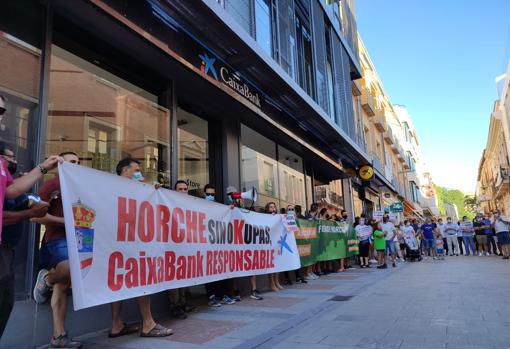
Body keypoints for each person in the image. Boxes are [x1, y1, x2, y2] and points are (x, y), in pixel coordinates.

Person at [108, 158, 173, 337]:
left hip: (122, 240)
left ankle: (116, 325)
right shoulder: (112, 186)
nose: (139, 173)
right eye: (136, 169)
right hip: (125, 240)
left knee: (118, 281)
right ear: (125, 170)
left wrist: (150, 190)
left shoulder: (134, 188)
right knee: (140, 277)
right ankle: (148, 323)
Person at [31, 152, 84, 348]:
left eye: (78, 162)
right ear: (60, 165)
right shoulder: (52, 185)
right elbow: (35, 216)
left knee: (64, 283)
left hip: (78, 241)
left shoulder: (82, 187)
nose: (76, 164)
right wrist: (67, 222)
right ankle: (46, 279)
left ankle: (58, 336)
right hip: (56, 239)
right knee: (68, 270)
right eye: (72, 162)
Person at [0, 142, 50, 338]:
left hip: (8, 250)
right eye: (9, 158)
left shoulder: (9, 181)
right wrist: (30, 212)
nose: (14, 162)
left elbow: (15, 193)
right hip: (2, 249)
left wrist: (32, 203)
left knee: (5, 303)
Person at [202, 184, 236, 307]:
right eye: (208, 194)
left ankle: (223, 295)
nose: (210, 196)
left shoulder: (218, 206)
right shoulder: (199, 204)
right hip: (205, 244)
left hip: (218, 244)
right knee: (209, 272)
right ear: (204, 193)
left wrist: (229, 209)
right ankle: (212, 296)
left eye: (212, 194)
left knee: (220, 269)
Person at [168, 180, 196, 317]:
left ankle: (183, 303)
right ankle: (175, 306)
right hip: (172, 246)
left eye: (185, 189)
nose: (183, 191)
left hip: (185, 245)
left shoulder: (190, 204)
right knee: (174, 276)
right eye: (180, 189)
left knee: (183, 275)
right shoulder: (168, 201)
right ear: (174, 190)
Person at [265, 202, 283, 292]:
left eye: (274, 207)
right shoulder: (265, 217)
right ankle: (271, 283)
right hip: (269, 243)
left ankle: (276, 281)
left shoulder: (278, 217)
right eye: (270, 207)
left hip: (277, 242)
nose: (272, 209)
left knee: (278, 263)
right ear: (267, 209)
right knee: (271, 264)